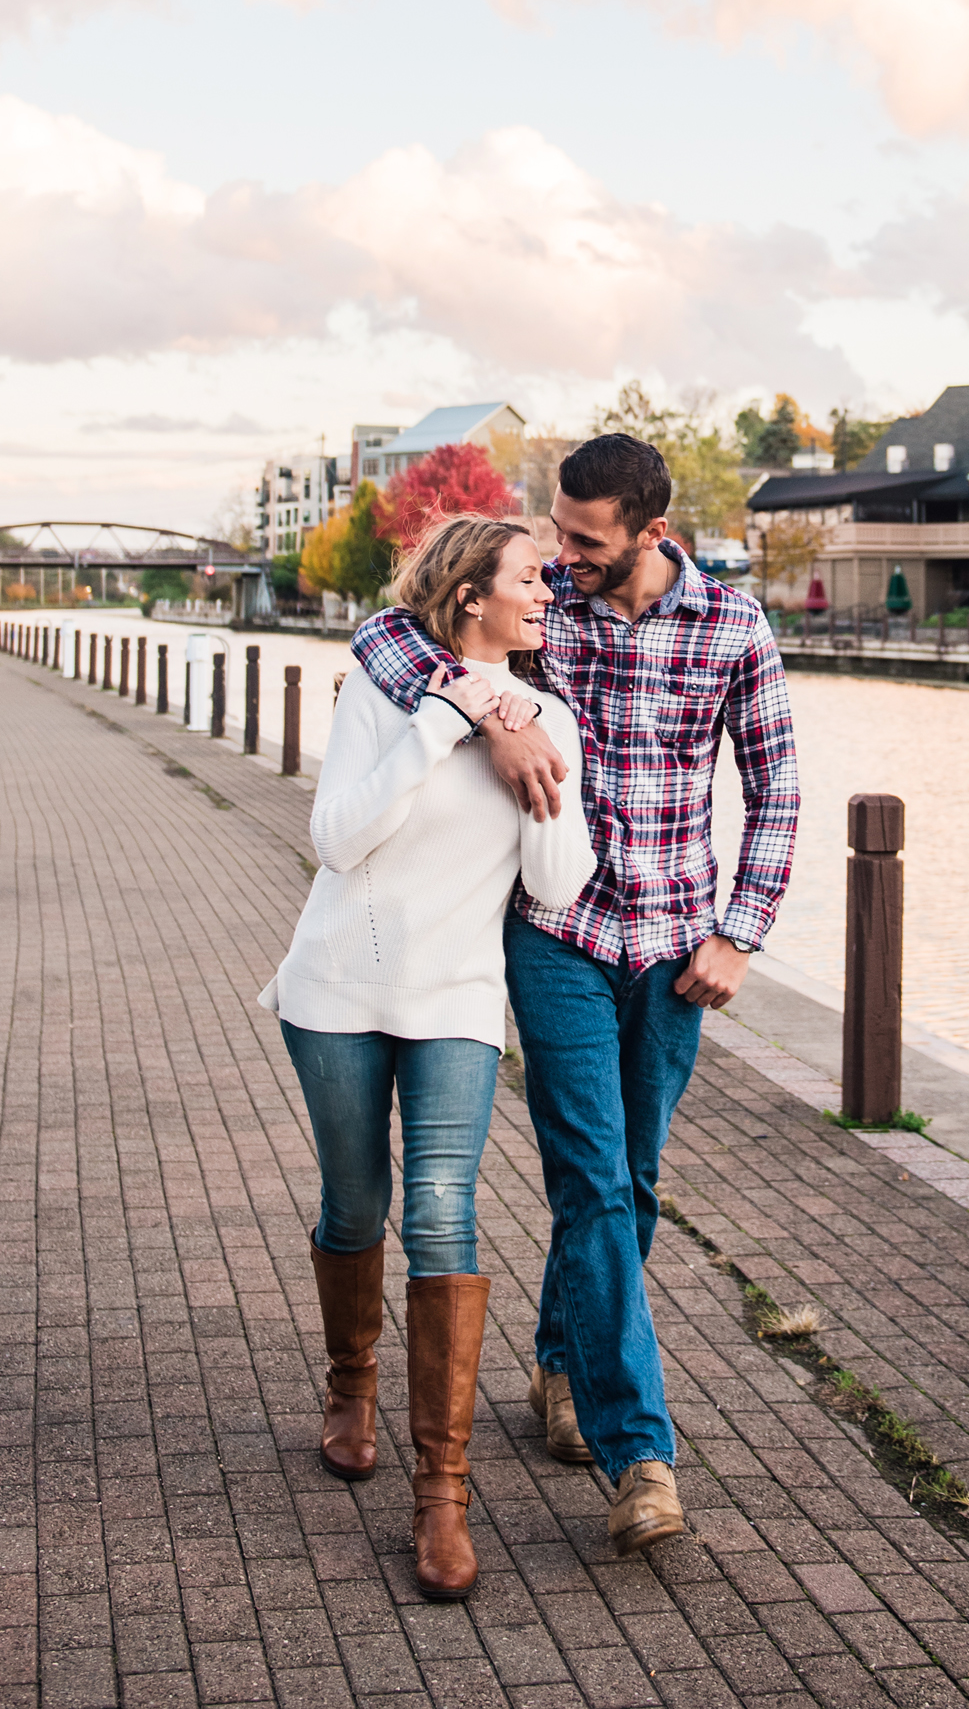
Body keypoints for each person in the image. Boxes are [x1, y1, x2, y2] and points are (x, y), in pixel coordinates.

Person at [351, 434, 800, 1554]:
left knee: (632, 1183)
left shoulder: (733, 627)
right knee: (592, 1181)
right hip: (556, 934)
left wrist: (739, 935)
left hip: (676, 950)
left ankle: (561, 1359)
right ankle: (639, 1452)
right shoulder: (545, 608)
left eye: (587, 540)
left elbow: (778, 793)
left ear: (653, 531)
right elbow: (385, 632)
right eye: (555, 531)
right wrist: (489, 712)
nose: (562, 556)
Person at [258, 516, 594, 1600]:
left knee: (443, 1209)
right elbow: (337, 835)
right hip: (339, 987)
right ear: (467, 598)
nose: (546, 592)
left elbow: (551, 885)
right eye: (527, 579)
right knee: (355, 1204)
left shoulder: (550, 716)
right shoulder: (386, 692)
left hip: (453, 996)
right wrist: (442, 722)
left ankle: (440, 1491)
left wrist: (542, 779)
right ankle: (348, 1379)